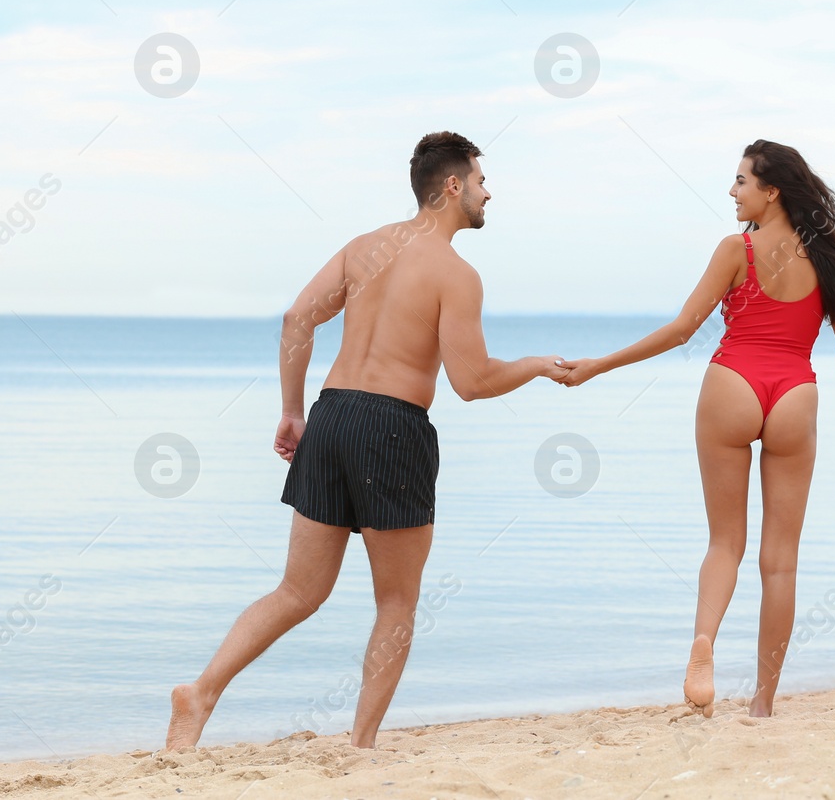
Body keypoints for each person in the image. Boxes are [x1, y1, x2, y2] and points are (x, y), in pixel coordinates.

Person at [165, 131, 569, 749]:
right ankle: (360, 745)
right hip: (392, 427)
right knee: (398, 603)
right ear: (453, 186)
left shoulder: (363, 248)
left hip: (330, 417)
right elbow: (473, 381)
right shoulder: (457, 274)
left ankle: (201, 692)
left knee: (298, 591)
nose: (490, 192)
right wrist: (538, 365)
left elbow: (297, 317)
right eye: (483, 181)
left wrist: (292, 412)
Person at [557, 139, 835, 717]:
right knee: (782, 560)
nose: (732, 191)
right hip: (795, 394)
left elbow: (679, 332)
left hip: (733, 385)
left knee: (726, 542)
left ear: (771, 192)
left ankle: (704, 644)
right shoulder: (830, 260)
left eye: (741, 181)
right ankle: (764, 702)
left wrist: (598, 366)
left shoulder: (735, 251)